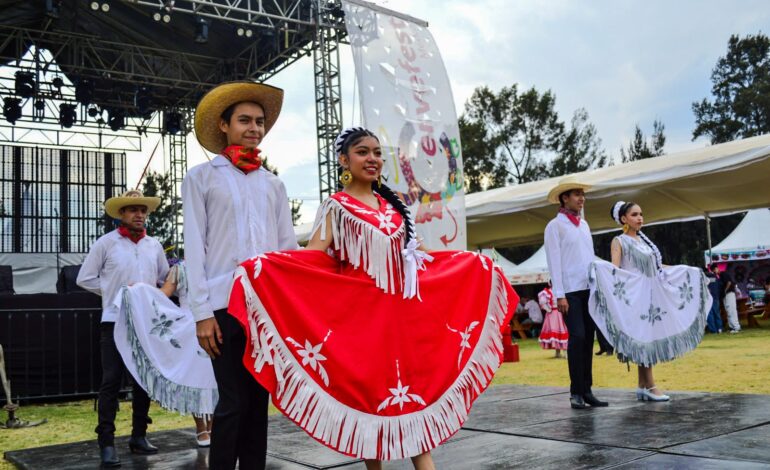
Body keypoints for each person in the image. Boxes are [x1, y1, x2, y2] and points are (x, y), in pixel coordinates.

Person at [225, 127, 518, 469]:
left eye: (377, 153)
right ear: (344, 160)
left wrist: (470, 264)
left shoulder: (396, 208)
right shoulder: (336, 206)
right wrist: (265, 268)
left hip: (403, 321)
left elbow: (422, 259)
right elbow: (315, 258)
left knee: (413, 400)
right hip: (363, 323)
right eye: (363, 152)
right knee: (371, 402)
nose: (373, 159)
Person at [182, 81, 298, 470]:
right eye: (245, 120)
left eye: (260, 122)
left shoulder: (273, 184)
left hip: (265, 308)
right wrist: (200, 313)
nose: (254, 128)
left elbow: (287, 251)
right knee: (231, 401)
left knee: (257, 403)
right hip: (220, 305)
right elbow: (194, 249)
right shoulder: (202, 177)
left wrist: (291, 309)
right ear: (224, 125)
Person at [76, 190, 168, 468]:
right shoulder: (106, 243)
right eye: (132, 210)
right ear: (121, 214)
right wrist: (115, 293)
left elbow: (164, 278)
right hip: (114, 321)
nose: (139, 214)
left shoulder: (154, 245)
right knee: (111, 381)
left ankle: (139, 436)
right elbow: (85, 278)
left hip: (146, 323)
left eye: (143, 210)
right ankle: (106, 443)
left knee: (143, 382)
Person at [588, 201, 712, 402]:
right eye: (635, 214)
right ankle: (651, 386)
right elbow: (615, 269)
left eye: (641, 214)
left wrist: (685, 270)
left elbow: (658, 266)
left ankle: (642, 385)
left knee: (648, 337)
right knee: (644, 339)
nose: (640, 218)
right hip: (636, 296)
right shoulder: (619, 241)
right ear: (623, 219)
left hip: (653, 295)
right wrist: (599, 270)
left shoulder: (645, 242)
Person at [113, 261, 217, 448]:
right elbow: (163, 294)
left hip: (215, 322)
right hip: (190, 328)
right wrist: (138, 290)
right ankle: (201, 427)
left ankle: (214, 426)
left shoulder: (216, 264)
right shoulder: (181, 269)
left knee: (215, 378)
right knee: (195, 378)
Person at [544, 177, 608, 410]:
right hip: (569, 291)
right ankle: (575, 392)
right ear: (564, 198)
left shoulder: (584, 225)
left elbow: (589, 258)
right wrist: (559, 294)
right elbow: (554, 261)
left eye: (583, 194)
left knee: (588, 339)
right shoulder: (555, 226)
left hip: (588, 289)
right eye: (576, 194)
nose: (582, 198)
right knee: (577, 337)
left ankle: (587, 390)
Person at [538, 281, 568, 358]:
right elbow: (542, 302)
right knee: (561, 330)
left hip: (554, 314)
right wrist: (549, 309)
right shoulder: (559, 291)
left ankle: (560, 352)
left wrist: (548, 309)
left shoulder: (549, 292)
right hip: (557, 313)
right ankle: (562, 352)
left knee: (559, 331)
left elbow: (542, 302)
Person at [705, 264, 724, 334]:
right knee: (716, 313)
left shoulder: (707, 277)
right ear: (713, 269)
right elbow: (720, 286)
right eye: (717, 268)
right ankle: (719, 329)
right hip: (715, 297)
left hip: (709, 298)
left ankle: (713, 330)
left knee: (711, 314)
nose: (718, 270)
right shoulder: (716, 277)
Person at [721, 268, 741, 333]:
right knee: (729, 311)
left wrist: (725, 291)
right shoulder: (722, 275)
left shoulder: (723, 274)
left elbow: (729, 283)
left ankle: (736, 327)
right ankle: (732, 327)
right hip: (727, 295)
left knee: (731, 310)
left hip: (729, 294)